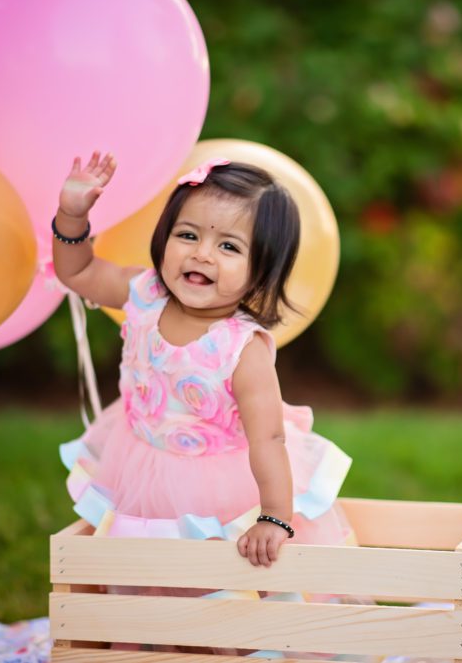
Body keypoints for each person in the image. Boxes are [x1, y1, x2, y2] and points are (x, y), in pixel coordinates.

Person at [53, 151, 357, 574]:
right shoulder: (143, 293)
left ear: (261, 270)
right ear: (164, 237)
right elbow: (79, 272)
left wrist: (273, 516)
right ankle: (152, 636)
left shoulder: (241, 349)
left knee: (214, 575)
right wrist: (72, 214)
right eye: (188, 235)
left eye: (229, 246)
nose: (202, 255)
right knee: (146, 571)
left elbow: (268, 439)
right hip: (140, 459)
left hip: (217, 483)